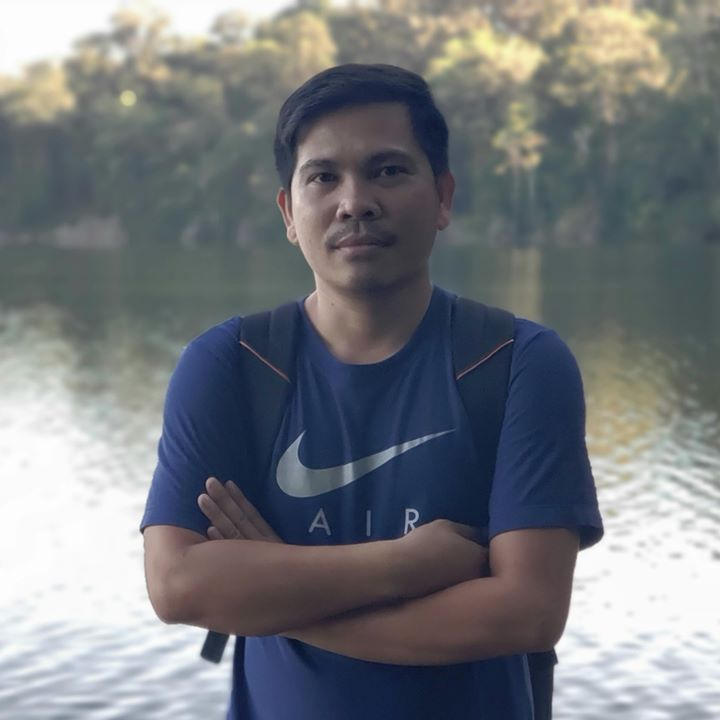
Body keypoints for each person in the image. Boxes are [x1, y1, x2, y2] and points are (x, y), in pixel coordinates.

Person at [140, 63, 603, 720]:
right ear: (289, 212)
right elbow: (177, 586)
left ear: (442, 197)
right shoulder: (232, 365)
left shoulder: (516, 363)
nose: (354, 201)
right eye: (323, 177)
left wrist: (270, 589)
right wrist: (408, 564)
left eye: (387, 170)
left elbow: (526, 613)